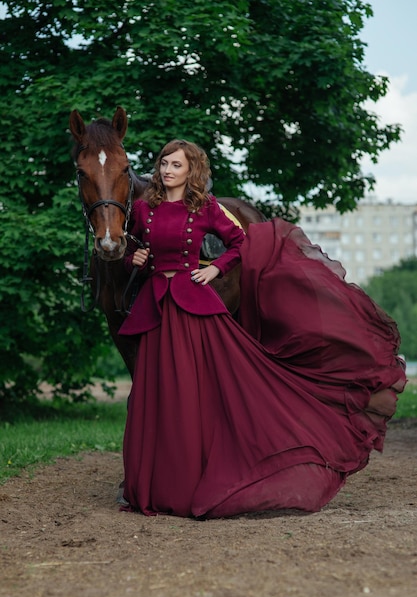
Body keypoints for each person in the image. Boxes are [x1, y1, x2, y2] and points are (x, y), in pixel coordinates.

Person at [118, 139, 406, 518]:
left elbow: (241, 243)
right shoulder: (142, 209)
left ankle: (190, 484)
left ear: (191, 171)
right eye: (163, 163)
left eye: (176, 165)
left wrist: (216, 267)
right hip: (157, 310)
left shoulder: (204, 207)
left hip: (193, 311)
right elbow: (131, 252)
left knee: (192, 394)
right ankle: (154, 486)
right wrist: (134, 257)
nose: (167, 170)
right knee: (156, 396)